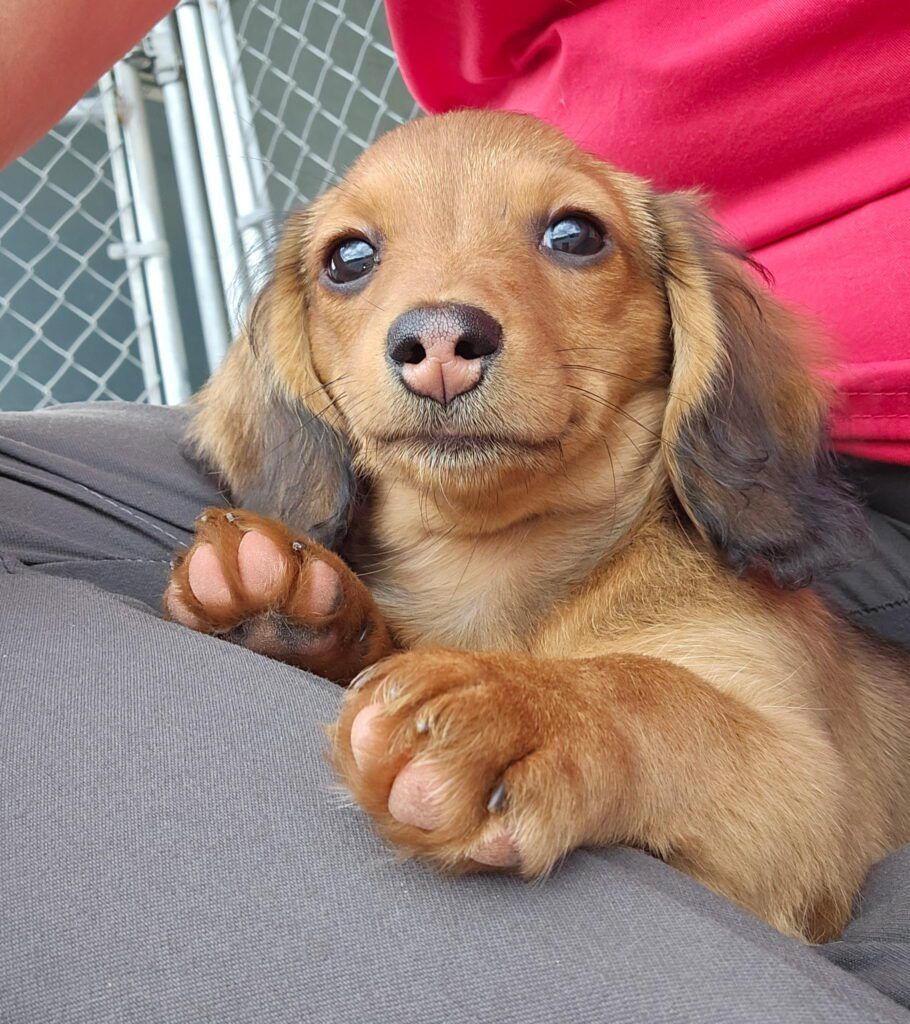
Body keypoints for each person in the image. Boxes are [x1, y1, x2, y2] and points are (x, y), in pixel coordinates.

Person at [1, 2, 908, 1021]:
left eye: (571, 238)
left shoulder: (734, 558)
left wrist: (597, 726)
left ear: (679, 328)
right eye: (352, 260)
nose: (438, 326)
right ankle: (346, 665)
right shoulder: (294, 402)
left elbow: (802, 826)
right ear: (308, 351)